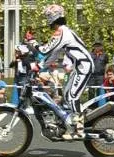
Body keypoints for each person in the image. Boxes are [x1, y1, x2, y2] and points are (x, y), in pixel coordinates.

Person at [33, 4, 95, 139]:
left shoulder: (61, 32)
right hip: (79, 66)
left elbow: (45, 50)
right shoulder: (63, 31)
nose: (46, 20)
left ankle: (79, 129)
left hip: (83, 66)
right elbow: (54, 55)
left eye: (47, 17)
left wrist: (32, 42)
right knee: (67, 96)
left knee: (72, 96)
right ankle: (74, 122)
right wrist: (40, 66)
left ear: (53, 17)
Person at [88, 42, 109, 107]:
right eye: (96, 46)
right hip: (92, 75)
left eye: (99, 46)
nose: (98, 47)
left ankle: (99, 104)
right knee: (91, 91)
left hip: (100, 75)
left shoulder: (104, 55)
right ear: (94, 47)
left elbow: (107, 64)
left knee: (99, 90)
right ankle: (91, 105)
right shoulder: (90, 54)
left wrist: (106, 73)